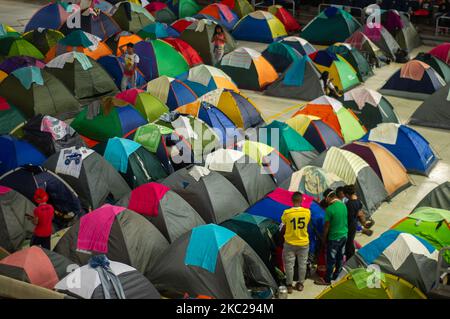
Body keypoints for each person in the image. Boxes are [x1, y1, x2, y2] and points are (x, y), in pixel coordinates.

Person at [315, 189, 348, 286]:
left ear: (328, 197)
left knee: (330, 260)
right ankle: (336, 275)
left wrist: (324, 238)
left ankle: (327, 279)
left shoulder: (330, 209)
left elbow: (326, 227)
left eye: (326, 199)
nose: (326, 201)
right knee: (340, 257)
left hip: (334, 238)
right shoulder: (343, 205)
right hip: (344, 235)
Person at [280, 192, 311, 293]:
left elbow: (283, 225)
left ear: (292, 200)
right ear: (301, 200)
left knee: (289, 265)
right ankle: (300, 284)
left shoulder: (286, 213)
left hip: (290, 242)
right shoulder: (307, 212)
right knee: (302, 264)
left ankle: (289, 285)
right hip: (303, 243)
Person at [344, 185, 374, 260]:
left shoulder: (349, 204)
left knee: (349, 243)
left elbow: (349, 217)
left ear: (347, 194)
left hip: (350, 225)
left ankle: (350, 258)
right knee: (351, 241)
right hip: (354, 223)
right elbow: (359, 212)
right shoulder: (358, 201)